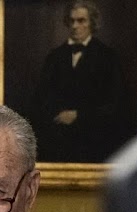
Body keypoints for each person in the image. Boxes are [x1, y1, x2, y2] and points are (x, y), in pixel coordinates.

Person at [32, 0, 131, 162]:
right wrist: (56, 116)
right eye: (71, 21)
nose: (75, 26)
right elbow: (39, 101)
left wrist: (78, 116)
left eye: (81, 21)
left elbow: (116, 105)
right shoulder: (54, 57)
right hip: (57, 145)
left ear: (91, 23)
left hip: (94, 144)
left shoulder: (107, 57)